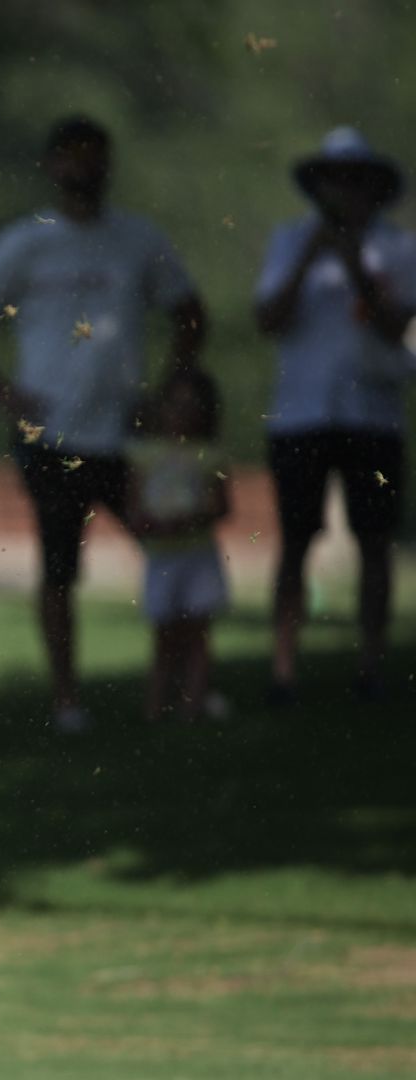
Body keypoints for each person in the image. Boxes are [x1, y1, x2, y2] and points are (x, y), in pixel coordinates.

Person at [0, 115, 207, 734]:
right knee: (60, 570)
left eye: (92, 154)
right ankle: (68, 701)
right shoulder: (28, 241)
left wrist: (167, 390)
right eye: (68, 155)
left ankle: (185, 689)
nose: (80, 167)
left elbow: (190, 313)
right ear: (50, 166)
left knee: (177, 556)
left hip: (132, 436)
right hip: (53, 434)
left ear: (108, 164)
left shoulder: (138, 240)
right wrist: (1, 392)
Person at [254, 127, 416, 703]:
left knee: (375, 540)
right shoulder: (288, 241)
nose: (342, 192)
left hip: (373, 414)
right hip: (301, 414)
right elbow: (268, 318)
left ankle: (370, 667)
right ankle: (283, 670)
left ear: (373, 189)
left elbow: (400, 328)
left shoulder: (399, 250)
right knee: (296, 539)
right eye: (333, 181)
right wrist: (309, 256)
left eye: (353, 181)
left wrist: (353, 267)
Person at [125, 369, 231, 721]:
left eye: (191, 405)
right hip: (162, 556)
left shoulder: (210, 455)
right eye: (176, 404)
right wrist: (152, 525)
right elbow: (134, 507)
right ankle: (157, 706)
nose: (182, 413)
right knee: (164, 635)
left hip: (197, 554)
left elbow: (222, 505)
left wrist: (188, 521)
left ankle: (191, 705)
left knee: (197, 632)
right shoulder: (145, 454)